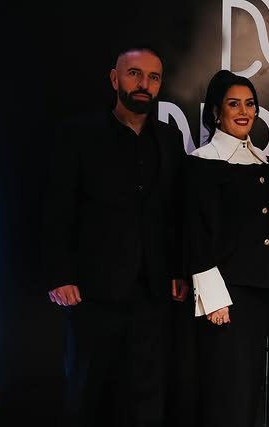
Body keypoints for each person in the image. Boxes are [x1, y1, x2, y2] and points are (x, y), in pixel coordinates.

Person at [43, 46, 187, 427]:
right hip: (92, 290)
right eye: (134, 74)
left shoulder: (169, 139)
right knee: (87, 392)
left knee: (147, 396)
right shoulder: (78, 135)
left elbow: (173, 211)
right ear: (114, 78)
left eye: (153, 77)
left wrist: (177, 269)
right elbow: (58, 208)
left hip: (152, 291)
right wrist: (60, 273)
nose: (143, 84)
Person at [183, 69, 269, 427]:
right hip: (226, 295)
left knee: (250, 387)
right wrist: (213, 298)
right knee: (225, 388)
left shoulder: (263, 161)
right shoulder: (201, 161)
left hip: (262, 292)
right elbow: (194, 232)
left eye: (250, 104)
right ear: (216, 112)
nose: (244, 112)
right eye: (233, 104)